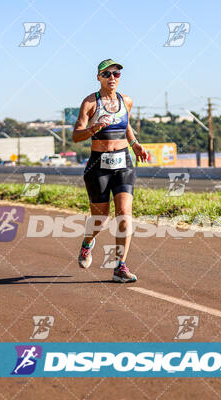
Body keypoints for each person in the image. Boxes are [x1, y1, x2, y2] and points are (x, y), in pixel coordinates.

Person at [72, 59, 147, 283]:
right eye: (107, 74)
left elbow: (126, 126)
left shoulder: (127, 101)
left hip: (123, 162)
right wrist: (94, 128)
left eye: (116, 74)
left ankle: (120, 267)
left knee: (124, 214)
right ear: (98, 77)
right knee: (101, 219)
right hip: (98, 165)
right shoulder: (89, 103)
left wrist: (135, 144)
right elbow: (76, 135)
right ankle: (87, 242)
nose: (112, 77)